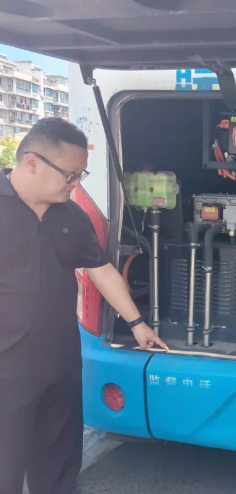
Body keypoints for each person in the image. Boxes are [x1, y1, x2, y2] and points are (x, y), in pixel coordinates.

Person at [0, 118, 168, 494]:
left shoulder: (71, 216)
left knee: (57, 464)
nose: (75, 183)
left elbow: (102, 270)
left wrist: (137, 322)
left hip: (59, 363)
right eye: (70, 174)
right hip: (6, 369)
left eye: (80, 175)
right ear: (32, 162)